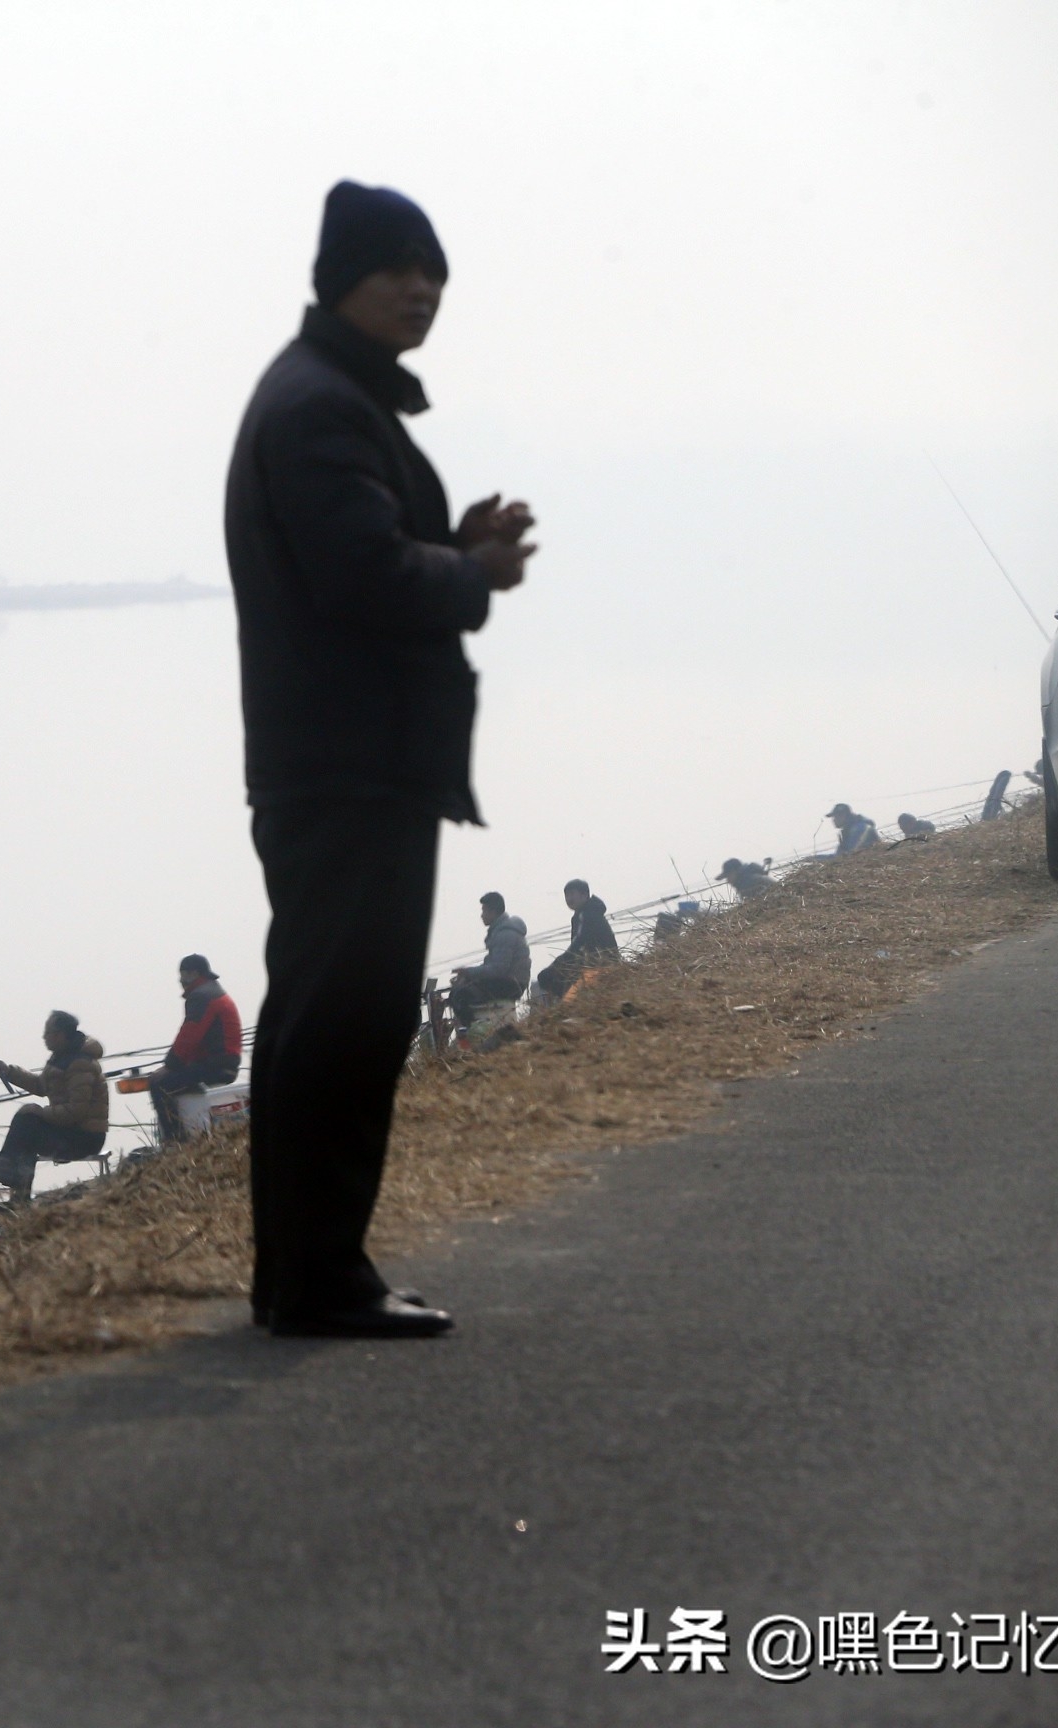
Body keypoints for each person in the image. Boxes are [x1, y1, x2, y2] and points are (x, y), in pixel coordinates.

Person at [227, 179, 535, 1337]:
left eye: (436, 273)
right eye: (398, 269)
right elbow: (357, 580)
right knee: (340, 1021)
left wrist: (447, 550)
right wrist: (472, 577)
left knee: (347, 1015)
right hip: (344, 766)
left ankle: (316, 1271)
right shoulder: (319, 408)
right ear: (339, 281)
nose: (423, 289)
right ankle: (312, 1281)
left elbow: (361, 556)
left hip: (356, 762)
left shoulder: (335, 400)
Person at [0, 1012, 108, 1201]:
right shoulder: (62, 1058)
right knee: (29, 1123)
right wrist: (9, 1072)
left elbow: (77, 1111)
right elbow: (42, 1086)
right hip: (70, 1131)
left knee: (29, 1122)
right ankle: (16, 1187)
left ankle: (11, 1176)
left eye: (48, 1032)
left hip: (85, 1138)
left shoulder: (80, 1063)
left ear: (60, 1035)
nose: (44, 1037)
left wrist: (41, 1113)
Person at [150, 954, 243, 1143]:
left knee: (159, 1083)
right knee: (173, 1079)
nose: (180, 980)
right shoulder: (213, 991)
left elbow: (190, 1034)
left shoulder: (201, 996)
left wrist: (172, 1062)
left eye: (183, 974)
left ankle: (174, 1140)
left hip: (215, 1065)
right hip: (224, 1062)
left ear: (193, 973)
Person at [448, 892, 531, 1022]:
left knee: (460, 995)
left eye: (484, 910)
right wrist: (468, 975)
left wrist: (468, 973)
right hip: (511, 981)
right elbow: (492, 966)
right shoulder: (502, 931)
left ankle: (472, 1031)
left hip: (511, 983)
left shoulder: (504, 934)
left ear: (493, 911)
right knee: (460, 991)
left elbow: (498, 969)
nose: (482, 915)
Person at [533, 879, 619, 1001]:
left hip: (600, 968)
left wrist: (557, 965)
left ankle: (576, 1001)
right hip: (590, 966)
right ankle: (574, 1000)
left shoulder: (589, 914)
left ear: (584, 895)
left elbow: (579, 943)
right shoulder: (582, 914)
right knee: (550, 979)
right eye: (566, 895)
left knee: (546, 977)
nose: (569, 898)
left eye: (572, 894)